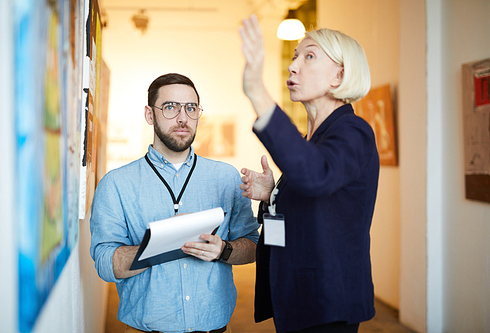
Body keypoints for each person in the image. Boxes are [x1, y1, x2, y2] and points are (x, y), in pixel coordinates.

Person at [238, 15, 379, 333]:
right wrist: (272, 193)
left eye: (310, 56)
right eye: (294, 56)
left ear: (339, 75)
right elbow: (311, 196)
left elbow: (316, 176)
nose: (294, 65)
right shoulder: (313, 142)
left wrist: (257, 91)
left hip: (327, 303)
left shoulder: (353, 131)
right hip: (300, 299)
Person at [90, 73, 260, 333]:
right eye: (170, 107)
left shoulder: (226, 177)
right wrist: (161, 243)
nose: (183, 118)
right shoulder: (116, 184)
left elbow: (252, 246)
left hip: (215, 328)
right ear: (150, 115)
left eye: (191, 108)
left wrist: (223, 250)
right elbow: (104, 262)